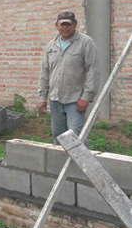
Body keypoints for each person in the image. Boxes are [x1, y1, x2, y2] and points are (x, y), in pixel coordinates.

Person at [38, 11, 97, 140]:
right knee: (58, 136)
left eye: (68, 25)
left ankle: (80, 161)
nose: (65, 28)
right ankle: (60, 160)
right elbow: (45, 72)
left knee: (76, 136)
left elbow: (92, 70)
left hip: (75, 100)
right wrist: (43, 97)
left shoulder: (85, 42)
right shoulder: (51, 45)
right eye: (62, 25)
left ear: (75, 25)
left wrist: (86, 97)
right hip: (55, 99)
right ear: (56, 26)